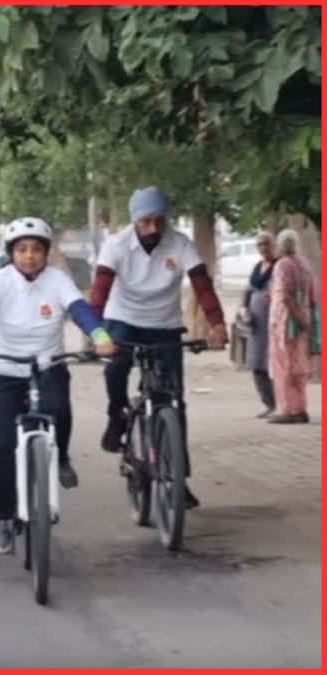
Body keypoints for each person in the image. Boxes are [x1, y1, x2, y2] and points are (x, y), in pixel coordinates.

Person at [0, 217, 117, 554]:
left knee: (59, 410)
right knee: (2, 445)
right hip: (5, 368)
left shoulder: (58, 280)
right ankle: (1, 522)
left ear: (46, 253)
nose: (30, 256)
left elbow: (80, 310)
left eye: (37, 250)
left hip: (47, 364)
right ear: (12, 252)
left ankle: (62, 457)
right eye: (23, 250)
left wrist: (100, 336)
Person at [89, 186, 227, 509]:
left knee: (174, 402)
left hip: (164, 325)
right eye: (146, 222)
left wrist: (217, 324)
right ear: (135, 221)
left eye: (159, 221)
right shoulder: (117, 245)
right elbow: (100, 292)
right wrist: (97, 333)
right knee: (116, 369)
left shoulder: (180, 244)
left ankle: (179, 479)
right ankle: (117, 413)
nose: (153, 229)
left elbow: (202, 285)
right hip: (123, 321)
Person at [267, 228, 319, 424]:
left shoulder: (282, 265)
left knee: (283, 366)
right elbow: (313, 295)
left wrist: (296, 316)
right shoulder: (305, 265)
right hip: (304, 321)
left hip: (286, 322)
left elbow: (285, 294)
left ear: (282, 245)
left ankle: (288, 409)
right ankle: (300, 407)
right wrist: (308, 320)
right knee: (299, 366)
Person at [240, 232, 277, 417]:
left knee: (272, 362)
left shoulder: (279, 266)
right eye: (260, 245)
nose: (263, 248)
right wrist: (243, 309)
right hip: (255, 323)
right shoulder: (257, 267)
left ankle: (278, 403)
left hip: (272, 321)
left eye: (266, 244)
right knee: (256, 363)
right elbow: (248, 289)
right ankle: (268, 402)